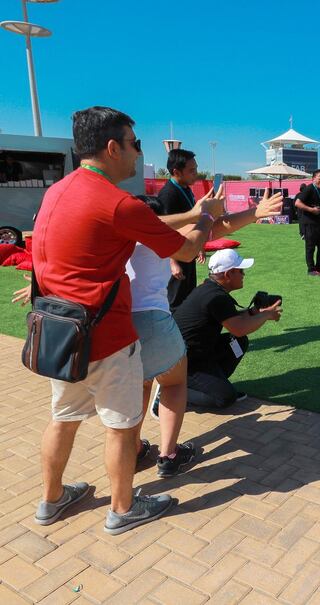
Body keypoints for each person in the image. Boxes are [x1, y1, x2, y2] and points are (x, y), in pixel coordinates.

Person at [30, 106, 217, 535]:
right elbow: (186, 253)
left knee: (63, 417)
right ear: (112, 147)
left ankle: (52, 500)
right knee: (121, 426)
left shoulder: (56, 192)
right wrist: (205, 218)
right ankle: (122, 508)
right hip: (107, 335)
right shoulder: (117, 203)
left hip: (59, 332)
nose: (138, 153)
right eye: (135, 144)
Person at [127, 190, 284, 477]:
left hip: (123, 326)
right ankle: (168, 456)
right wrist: (247, 214)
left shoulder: (116, 234)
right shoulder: (152, 231)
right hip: (154, 324)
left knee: (138, 390)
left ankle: (134, 451)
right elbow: (207, 230)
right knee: (174, 386)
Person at [174, 249, 282, 409]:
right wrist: (267, 315)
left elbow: (233, 320)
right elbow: (240, 328)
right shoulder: (216, 296)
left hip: (197, 353)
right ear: (228, 274)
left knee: (238, 343)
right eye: (241, 271)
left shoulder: (210, 288)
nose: (244, 274)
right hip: (185, 362)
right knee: (225, 398)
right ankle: (173, 392)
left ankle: (216, 384)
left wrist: (255, 312)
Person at [157, 148, 211, 311]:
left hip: (187, 252)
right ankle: (175, 334)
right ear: (176, 172)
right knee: (175, 301)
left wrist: (199, 245)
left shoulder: (186, 189)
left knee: (188, 297)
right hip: (176, 257)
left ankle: (185, 335)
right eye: (191, 170)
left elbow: (191, 223)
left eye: (196, 168)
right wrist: (172, 262)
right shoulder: (168, 195)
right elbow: (163, 232)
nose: (196, 173)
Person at [294, 169, 320, 276]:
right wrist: (312, 210)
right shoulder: (309, 189)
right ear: (314, 178)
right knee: (310, 247)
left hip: (319, 222)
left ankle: (319, 268)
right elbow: (297, 203)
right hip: (309, 223)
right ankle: (311, 270)